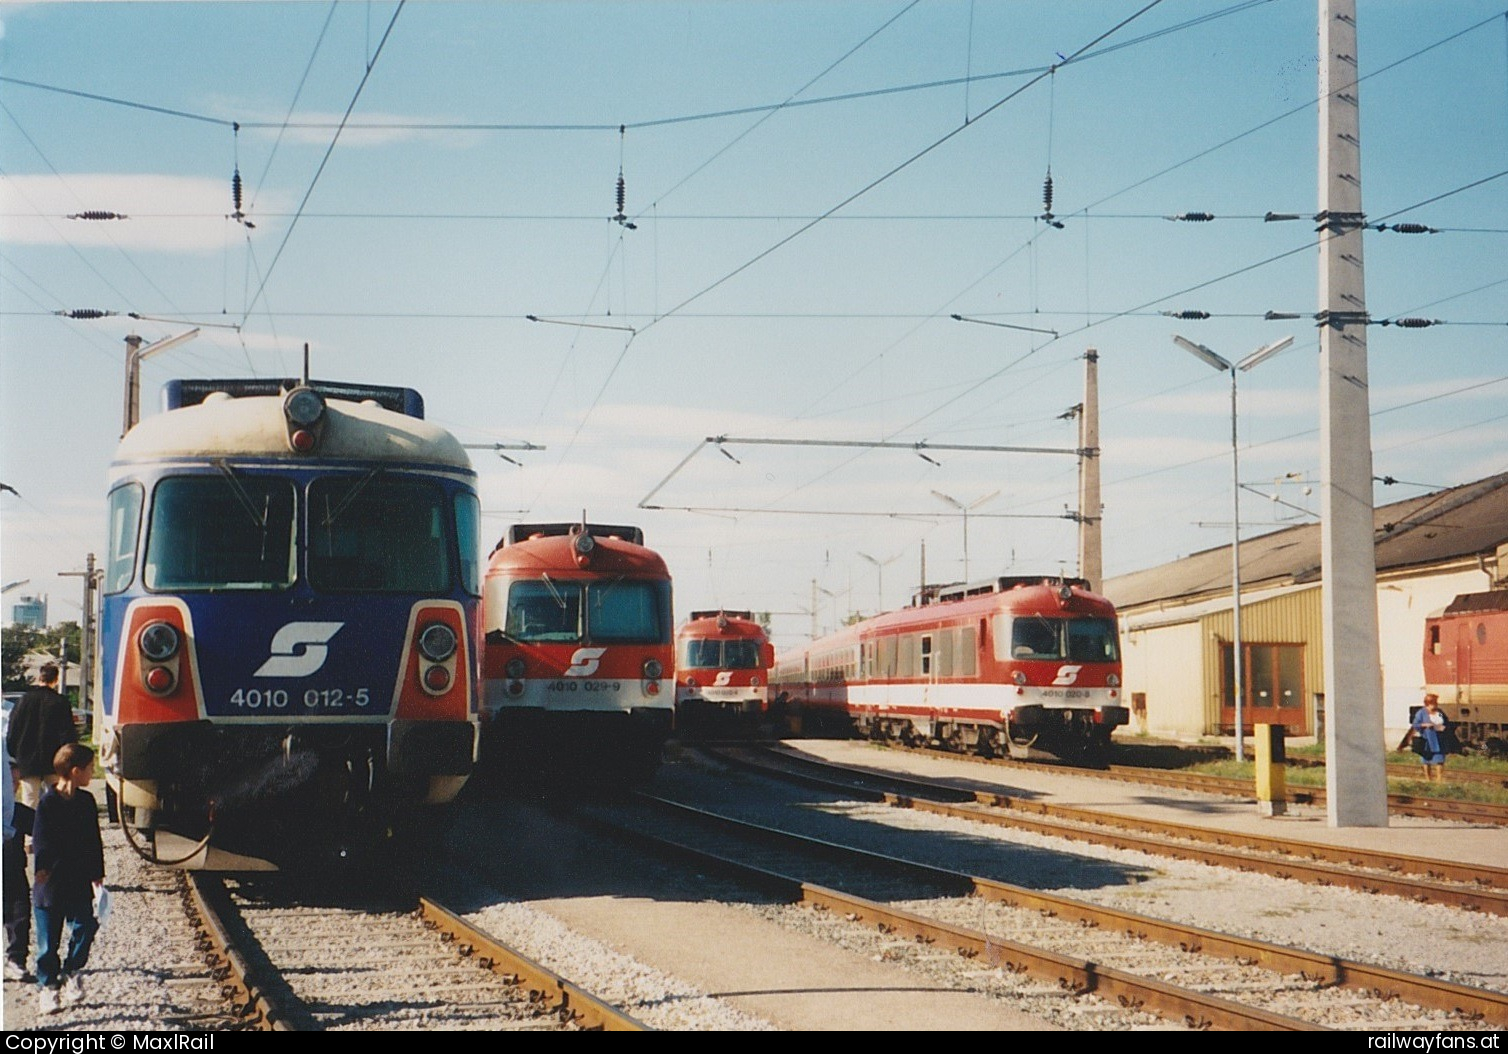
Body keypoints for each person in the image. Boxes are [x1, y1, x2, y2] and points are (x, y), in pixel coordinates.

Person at [31, 742, 104, 1015]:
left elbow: (93, 840)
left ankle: (71, 970)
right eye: (89, 768)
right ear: (75, 771)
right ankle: (48, 987)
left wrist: (97, 875)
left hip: (78, 880)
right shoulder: (47, 803)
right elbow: (41, 840)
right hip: (50, 883)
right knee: (47, 943)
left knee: (86, 926)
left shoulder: (86, 801)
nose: (91, 772)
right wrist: (42, 868)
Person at [6, 663, 78, 809]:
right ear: (56, 680)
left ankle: (32, 829)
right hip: (54, 760)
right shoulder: (61, 702)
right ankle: (53, 829)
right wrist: (68, 758)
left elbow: (13, 729)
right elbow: (68, 733)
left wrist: (15, 754)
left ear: (40, 677)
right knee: (56, 799)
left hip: (27, 760)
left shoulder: (24, 700)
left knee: (30, 800)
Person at [2, 718, 35, 983]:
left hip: (12, 863)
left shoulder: (18, 812)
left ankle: (15, 958)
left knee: (18, 906)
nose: (14, 783)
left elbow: (47, 832)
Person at [1402, 692, 1452, 783]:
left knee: (1439, 759)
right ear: (1428, 703)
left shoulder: (1439, 712)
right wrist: (1425, 725)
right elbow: (1415, 725)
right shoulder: (1421, 713)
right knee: (1426, 760)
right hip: (1427, 739)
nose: (1436, 704)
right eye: (1434, 703)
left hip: (1439, 739)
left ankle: (1439, 779)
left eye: (1436, 703)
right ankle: (1428, 779)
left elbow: (1445, 722)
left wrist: (1443, 727)